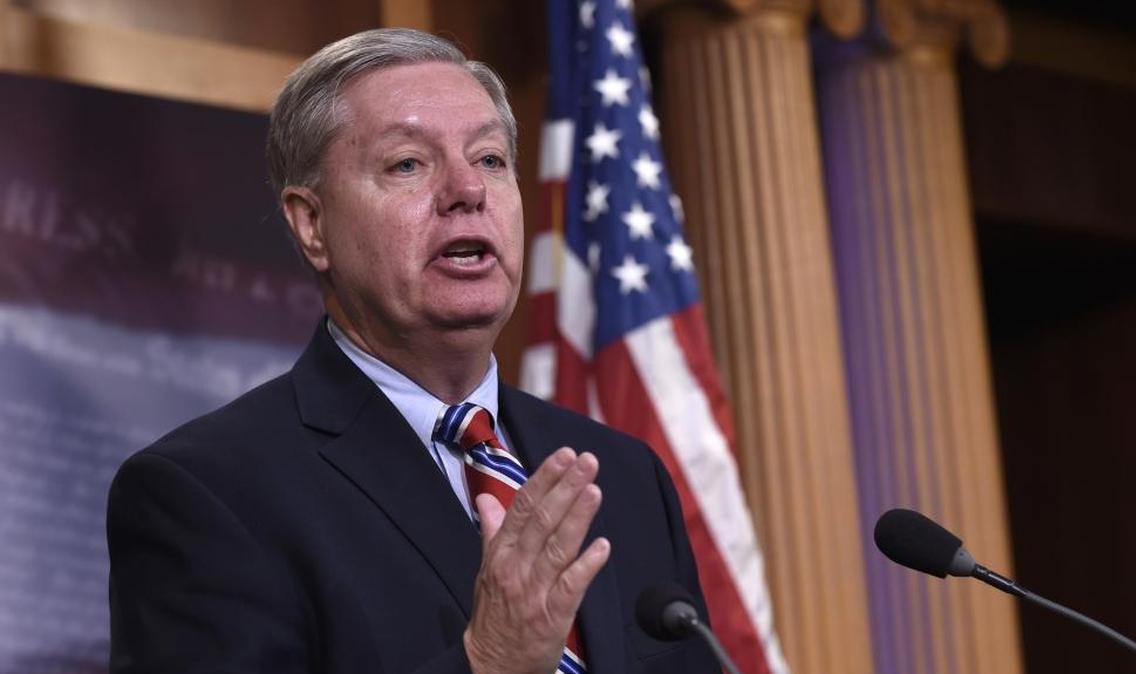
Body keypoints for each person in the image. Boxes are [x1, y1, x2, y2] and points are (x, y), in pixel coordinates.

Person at [106, 28, 719, 674]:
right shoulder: (207, 494)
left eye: (489, 159)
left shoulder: (625, 477)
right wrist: (486, 663)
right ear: (312, 226)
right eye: (408, 164)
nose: (468, 190)